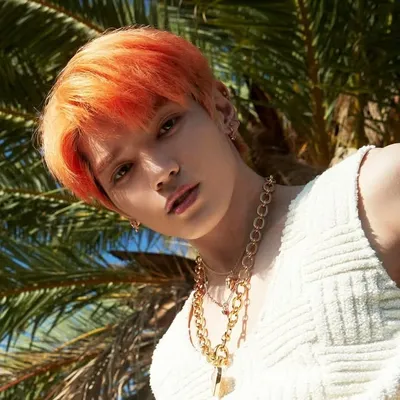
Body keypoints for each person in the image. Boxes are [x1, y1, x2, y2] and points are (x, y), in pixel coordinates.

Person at [39, 26, 400, 400]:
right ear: (116, 205)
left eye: (167, 125)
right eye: (123, 171)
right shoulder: (173, 367)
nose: (161, 172)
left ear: (221, 109)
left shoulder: (371, 197)